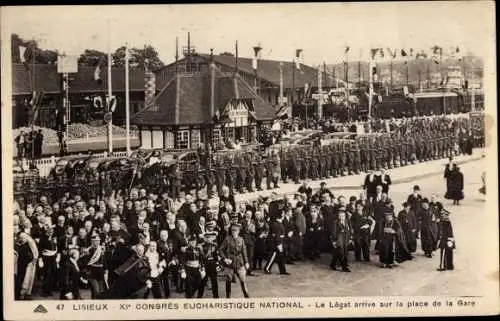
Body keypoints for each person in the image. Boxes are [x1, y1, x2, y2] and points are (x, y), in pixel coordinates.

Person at [218, 223, 250, 298]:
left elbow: (244, 251)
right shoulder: (227, 239)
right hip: (230, 263)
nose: (234, 232)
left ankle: (247, 296)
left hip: (239, 262)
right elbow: (220, 250)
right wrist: (225, 259)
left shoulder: (241, 239)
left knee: (242, 280)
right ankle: (228, 297)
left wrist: (246, 262)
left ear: (238, 231)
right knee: (228, 280)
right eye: (232, 230)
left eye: (235, 230)